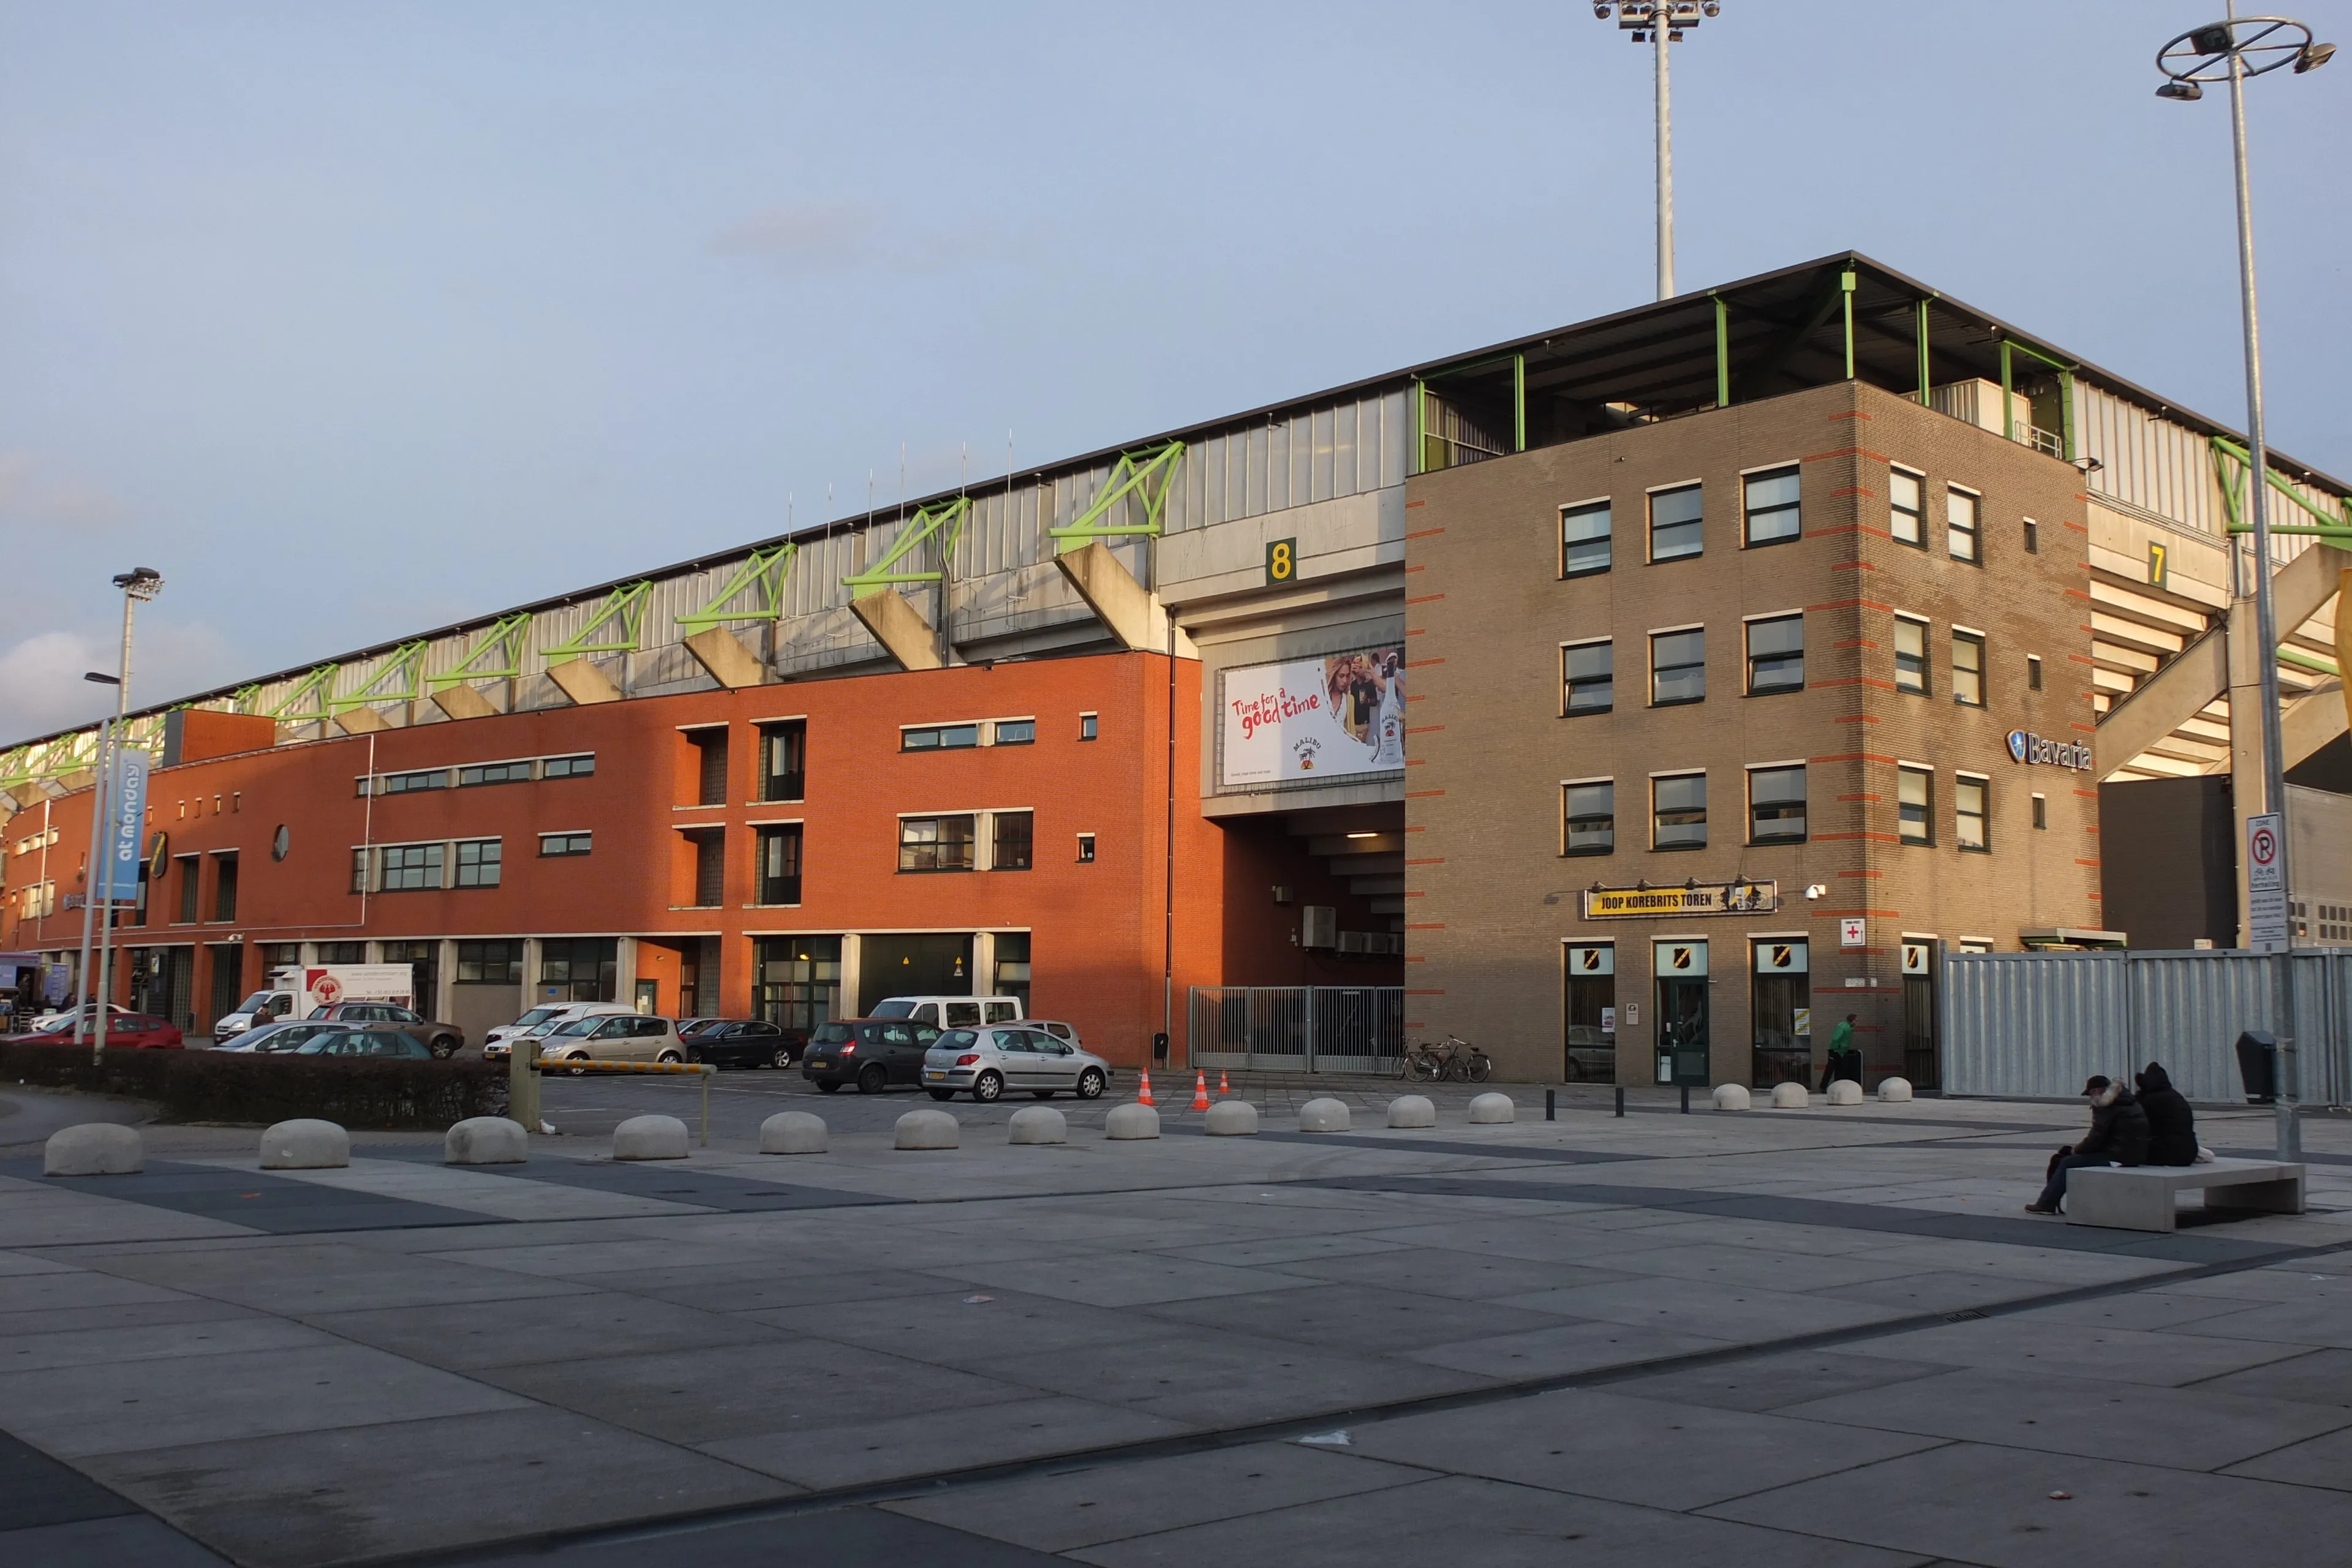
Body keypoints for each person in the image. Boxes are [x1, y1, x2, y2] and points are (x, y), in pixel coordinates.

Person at [2027, 1074, 2150, 1215]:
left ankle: (2046, 1204)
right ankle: (2049, 1202)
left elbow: (2096, 1139)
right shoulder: (2127, 1101)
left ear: (2097, 1091)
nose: (2090, 1098)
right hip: (2133, 1155)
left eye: (2090, 1094)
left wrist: (2076, 1150)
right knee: (2074, 1159)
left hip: (2118, 1158)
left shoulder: (2106, 1106)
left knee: (2068, 1162)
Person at [2136, 1062, 2199, 1167]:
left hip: (2169, 1154)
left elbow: (2140, 1126)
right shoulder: (2175, 1096)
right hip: (2190, 1152)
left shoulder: (2151, 1100)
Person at [1819, 1013, 1862, 1090]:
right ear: (1852, 1020)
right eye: (1856, 1020)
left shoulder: (1848, 1027)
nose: (1856, 1022)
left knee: (1839, 1070)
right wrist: (1836, 1048)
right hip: (1836, 1051)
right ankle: (1823, 1087)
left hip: (1841, 1052)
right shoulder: (1843, 1026)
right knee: (1830, 1069)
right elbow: (1836, 1038)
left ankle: (1837, 1086)